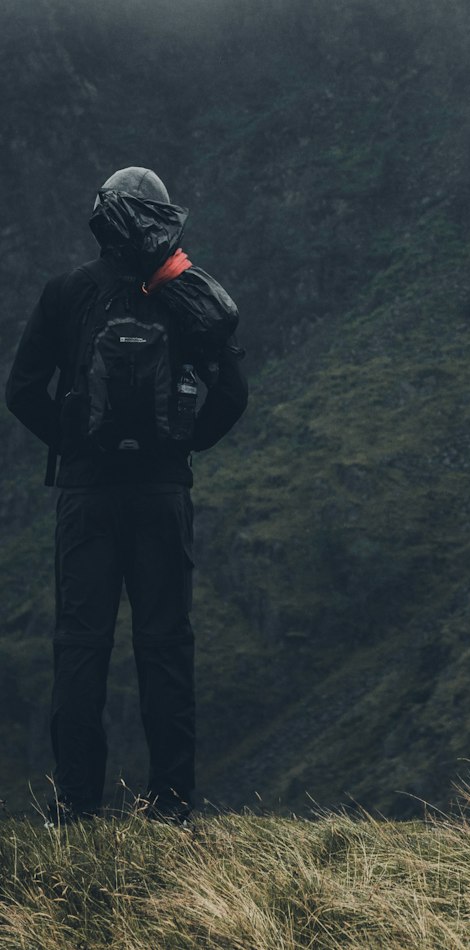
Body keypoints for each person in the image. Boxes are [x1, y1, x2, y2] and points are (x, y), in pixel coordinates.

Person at [5, 167, 247, 824]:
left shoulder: (67, 294)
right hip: (162, 495)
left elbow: (21, 390)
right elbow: (232, 395)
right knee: (165, 645)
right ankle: (171, 805)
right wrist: (182, 448)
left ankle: (78, 806)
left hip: (87, 496)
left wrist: (75, 442)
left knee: (81, 646)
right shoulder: (186, 299)